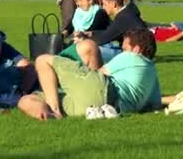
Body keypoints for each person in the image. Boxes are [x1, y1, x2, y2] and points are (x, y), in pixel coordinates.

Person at [18, 28, 161, 120]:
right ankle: (48, 113)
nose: (122, 51)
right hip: (104, 107)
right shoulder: (152, 73)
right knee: (30, 98)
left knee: (42, 60)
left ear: (136, 49)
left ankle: (53, 111)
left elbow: (99, 72)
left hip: (104, 89)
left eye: (124, 48)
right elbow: (154, 104)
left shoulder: (131, 57)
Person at [59, 0, 146, 69]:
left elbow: (103, 39)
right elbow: (108, 33)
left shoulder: (123, 18)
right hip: (136, 52)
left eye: (105, 4)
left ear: (114, 4)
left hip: (134, 56)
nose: (103, 7)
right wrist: (90, 33)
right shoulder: (127, 13)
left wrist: (84, 39)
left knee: (89, 49)